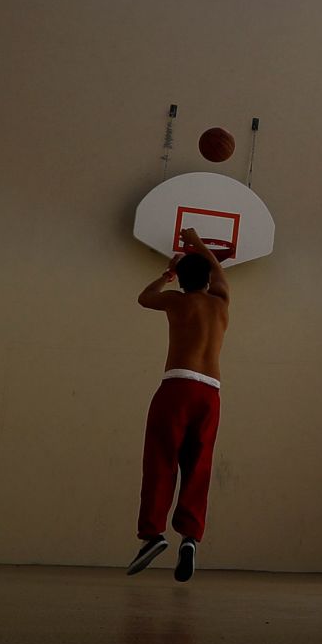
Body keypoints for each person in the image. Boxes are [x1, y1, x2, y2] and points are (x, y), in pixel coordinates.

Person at [127, 228, 231, 582]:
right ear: (207, 279)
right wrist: (198, 244)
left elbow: (144, 298)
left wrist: (166, 274)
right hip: (210, 394)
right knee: (198, 465)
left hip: (177, 387)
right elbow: (219, 272)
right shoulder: (221, 303)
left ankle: (152, 534)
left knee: (160, 459)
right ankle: (190, 537)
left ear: (182, 281)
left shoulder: (175, 300)